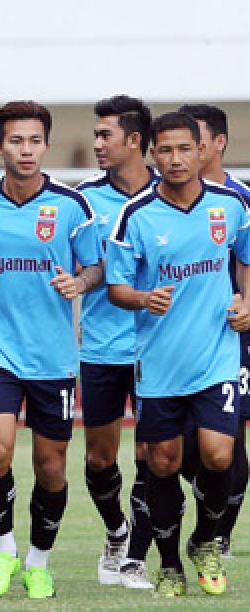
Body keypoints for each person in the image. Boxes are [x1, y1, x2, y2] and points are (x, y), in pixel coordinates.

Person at [0, 100, 103, 600]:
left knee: (51, 467)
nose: (26, 150)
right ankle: (4, 550)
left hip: (54, 358)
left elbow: (96, 267)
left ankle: (39, 562)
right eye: (16, 140)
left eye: (35, 140)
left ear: (46, 144)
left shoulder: (70, 205)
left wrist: (78, 282)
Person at [107, 111, 250, 597]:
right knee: (163, 465)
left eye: (184, 148)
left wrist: (245, 300)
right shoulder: (137, 214)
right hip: (160, 364)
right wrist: (144, 298)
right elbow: (115, 288)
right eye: (164, 150)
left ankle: (207, 541)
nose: (175, 159)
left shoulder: (231, 205)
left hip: (217, 357)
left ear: (202, 149)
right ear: (152, 154)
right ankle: (169, 564)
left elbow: (247, 255)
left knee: (218, 452)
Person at [75, 95, 157, 588]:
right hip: (102, 347)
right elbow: (77, 262)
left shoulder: (170, 193)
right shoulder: (83, 199)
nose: (98, 144)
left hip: (156, 352)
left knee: (153, 456)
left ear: (135, 141)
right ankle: (116, 532)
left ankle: (137, 559)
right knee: (99, 459)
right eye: (97, 135)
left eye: (107, 136)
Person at [178, 103, 250, 559]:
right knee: (185, 447)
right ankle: (209, 504)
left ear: (218, 144)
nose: (181, 154)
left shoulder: (241, 200)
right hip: (178, 341)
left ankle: (218, 535)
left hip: (235, 337)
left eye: (194, 142)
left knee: (230, 436)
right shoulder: (163, 198)